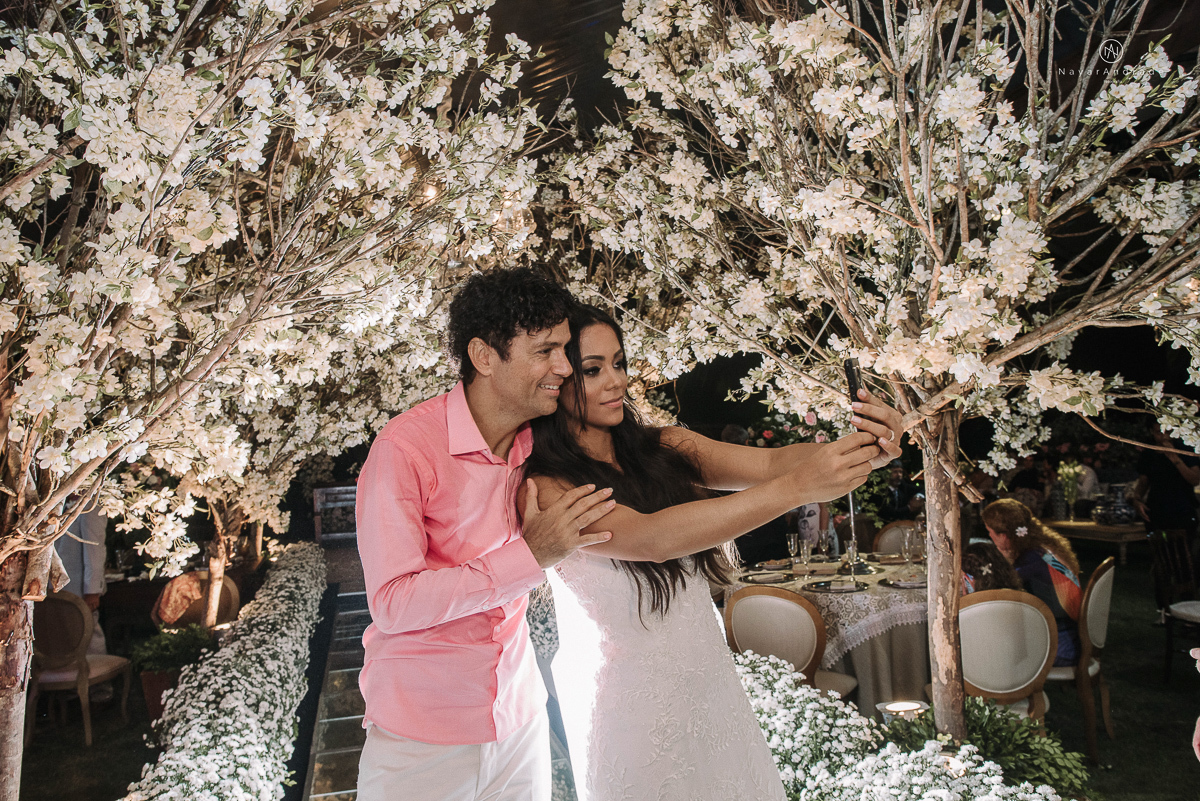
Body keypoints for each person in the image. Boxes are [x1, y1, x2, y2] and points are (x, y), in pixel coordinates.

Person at [520, 305, 903, 801]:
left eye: (619, 362)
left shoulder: (665, 447)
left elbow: (773, 462)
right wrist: (797, 489)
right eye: (593, 370)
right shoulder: (548, 485)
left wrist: (870, 445)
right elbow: (654, 538)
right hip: (628, 704)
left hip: (708, 681)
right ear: (558, 374)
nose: (615, 380)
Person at [354, 268, 616, 801]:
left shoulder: (539, 445)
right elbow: (393, 604)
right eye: (545, 351)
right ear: (483, 356)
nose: (563, 368)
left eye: (565, 350)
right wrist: (531, 556)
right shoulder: (404, 449)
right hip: (422, 740)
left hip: (521, 720)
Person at [982, 499, 1083, 667]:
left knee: (993, 650)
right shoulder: (1041, 548)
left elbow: (997, 589)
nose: (990, 537)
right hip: (1072, 634)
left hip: (1061, 645)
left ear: (1004, 536)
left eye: (990, 532)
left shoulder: (1030, 560)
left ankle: (1013, 689)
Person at [1132, 424, 1200, 549]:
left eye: (1168, 432)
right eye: (1159, 432)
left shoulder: (1185, 449)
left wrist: (1174, 457)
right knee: (1160, 554)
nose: (1164, 436)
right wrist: (1137, 499)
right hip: (1156, 510)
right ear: (1152, 431)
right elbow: (1143, 482)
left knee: (1184, 554)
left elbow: (1195, 479)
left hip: (1182, 510)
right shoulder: (1149, 453)